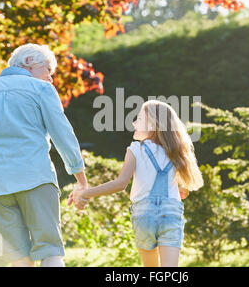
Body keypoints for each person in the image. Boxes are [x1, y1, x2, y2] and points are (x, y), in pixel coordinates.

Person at [0, 44, 89, 267]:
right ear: (30, 61)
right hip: (35, 180)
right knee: (50, 251)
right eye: (48, 71)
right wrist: (82, 182)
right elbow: (64, 136)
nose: (50, 79)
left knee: (18, 258)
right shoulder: (41, 90)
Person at [71, 100, 203, 267]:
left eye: (139, 119)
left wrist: (85, 193)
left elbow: (120, 184)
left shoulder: (135, 149)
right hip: (171, 214)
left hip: (144, 216)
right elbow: (183, 189)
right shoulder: (176, 153)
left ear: (154, 124)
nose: (134, 123)